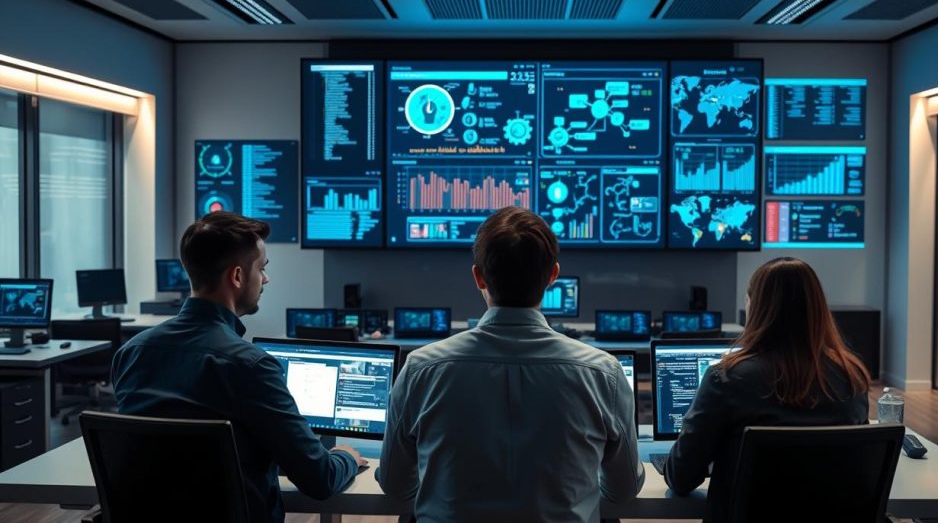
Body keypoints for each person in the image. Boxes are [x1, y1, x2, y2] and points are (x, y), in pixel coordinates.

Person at [376, 206, 644, 523]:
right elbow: (622, 492)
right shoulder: (604, 373)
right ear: (553, 275)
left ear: (478, 277)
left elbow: (395, 487)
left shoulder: (420, 370)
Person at [111, 212, 365, 523]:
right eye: (262, 268)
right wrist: (346, 457)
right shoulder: (250, 365)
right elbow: (320, 479)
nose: (266, 279)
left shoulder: (132, 352)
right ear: (237, 276)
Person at [662, 257, 870, 522]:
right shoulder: (852, 377)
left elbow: (681, 477)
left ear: (755, 307)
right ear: (818, 307)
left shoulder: (727, 377)